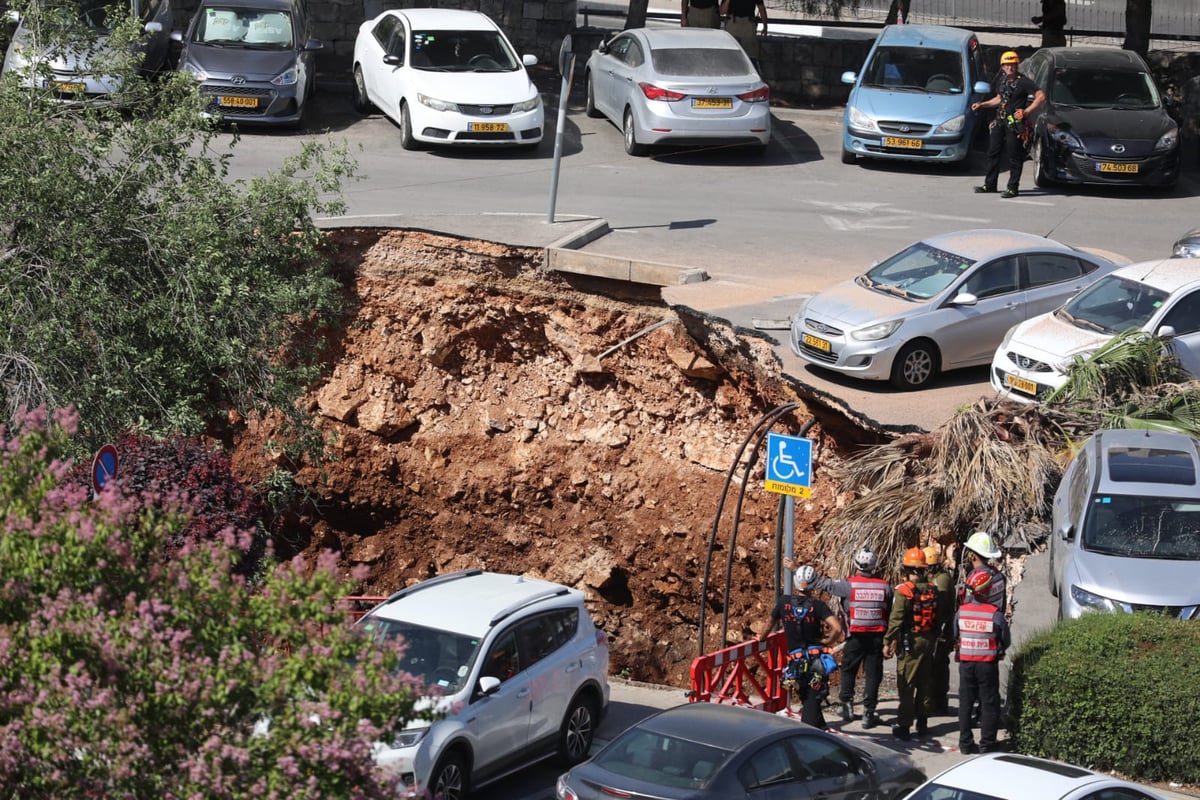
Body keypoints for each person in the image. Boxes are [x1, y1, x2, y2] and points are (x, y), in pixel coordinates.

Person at [808, 547, 890, 729]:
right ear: (874, 565)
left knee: (848, 670)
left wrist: (798, 571)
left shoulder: (848, 585)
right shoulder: (884, 586)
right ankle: (869, 713)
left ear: (856, 564)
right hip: (877, 637)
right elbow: (889, 613)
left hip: (855, 638)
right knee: (873, 674)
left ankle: (847, 707)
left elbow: (823, 584)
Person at [759, 565, 844, 729]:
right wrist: (827, 642)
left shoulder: (784, 602)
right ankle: (810, 732)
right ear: (813, 584)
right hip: (815, 662)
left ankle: (819, 728)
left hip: (795, 664)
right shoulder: (818, 606)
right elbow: (838, 628)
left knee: (807, 695)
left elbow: (769, 623)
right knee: (813, 696)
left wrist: (761, 638)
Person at [883, 547, 943, 740]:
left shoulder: (904, 591)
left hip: (911, 642)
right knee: (925, 682)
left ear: (907, 568)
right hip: (928, 640)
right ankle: (923, 723)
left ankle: (904, 726)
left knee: (907, 684)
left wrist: (888, 641)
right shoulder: (934, 589)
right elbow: (939, 617)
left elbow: (896, 619)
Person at [970, 51, 1046, 199]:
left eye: (1012, 65)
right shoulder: (1002, 80)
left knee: (1014, 156)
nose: (1009, 67)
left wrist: (1026, 111)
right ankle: (990, 184)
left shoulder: (1024, 82)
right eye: (1006, 65)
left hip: (1014, 123)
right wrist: (982, 104)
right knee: (993, 153)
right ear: (1002, 66)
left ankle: (1012, 188)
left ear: (1016, 65)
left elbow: (1041, 96)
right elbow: (999, 98)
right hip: (1000, 121)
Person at [955, 570, 1011, 754]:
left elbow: (955, 635)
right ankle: (987, 744)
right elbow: (1005, 639)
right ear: (987, 591)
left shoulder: (961, 612)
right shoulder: (995, 614)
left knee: (965, 703)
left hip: (966, 664)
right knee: (989, 704)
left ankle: (965, 743)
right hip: (987, 664)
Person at [924, 544, 955, 716]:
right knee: (935, 666)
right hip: (938, 629)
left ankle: (939, 702)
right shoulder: (939, 577)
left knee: (939, 667)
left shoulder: (941, 580)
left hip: (942, 631)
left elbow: (939, 604)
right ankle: (936, 701)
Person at [961, 531, 1008, 616]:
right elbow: (1003, 605)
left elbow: (968, 606)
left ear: (972, 555)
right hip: (995, 622)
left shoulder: (975, 579)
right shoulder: (999, 576)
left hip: (978, 623)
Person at [720, 0, 767, 68]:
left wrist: (765, 26)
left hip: (748, 24)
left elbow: (761, 8)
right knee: (730, 54)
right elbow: (722, 11)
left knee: (750, 56)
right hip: (733, 23)